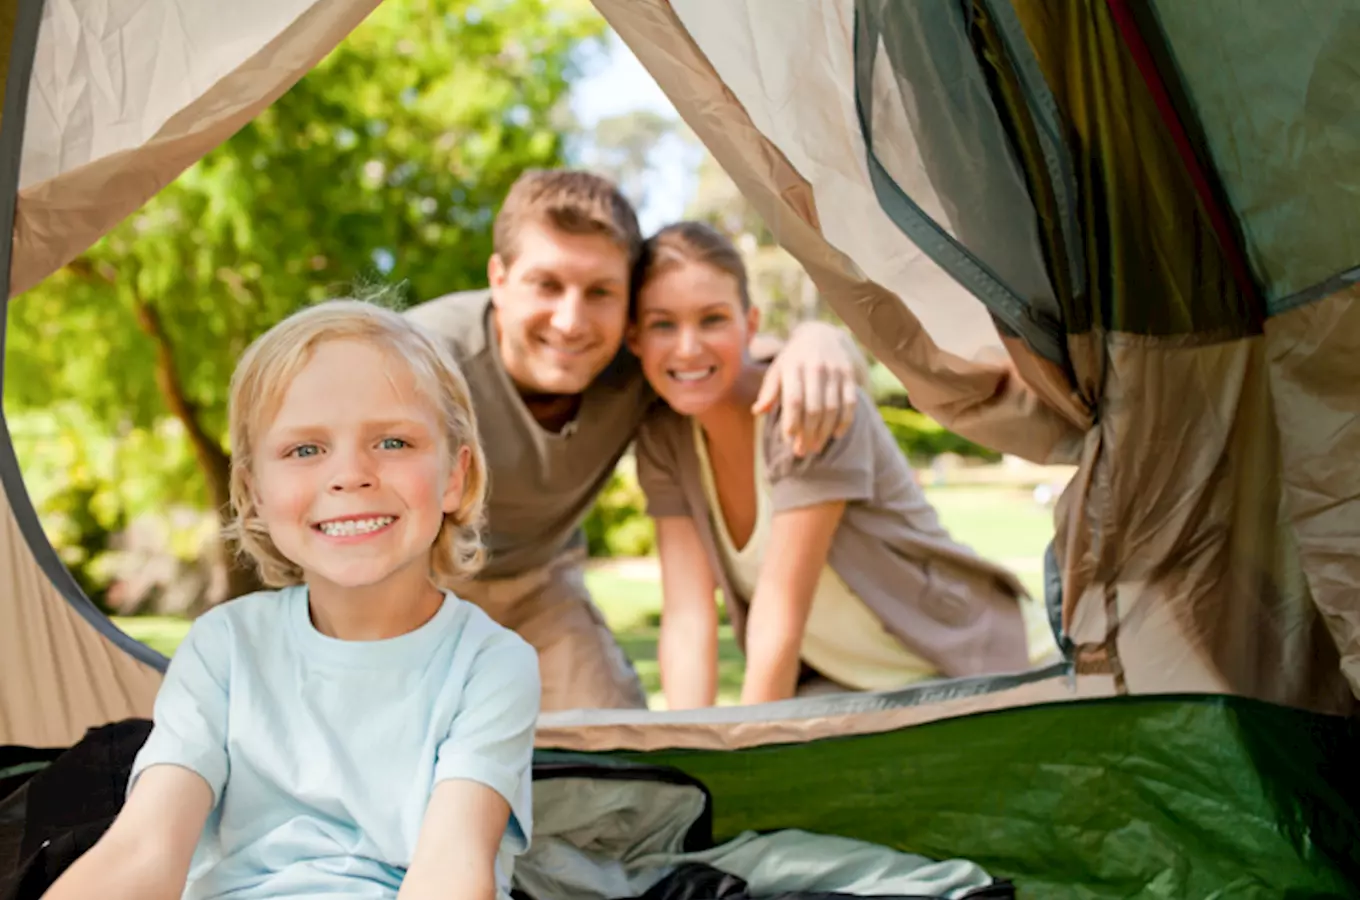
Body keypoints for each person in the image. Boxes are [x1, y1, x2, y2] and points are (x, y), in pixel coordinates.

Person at [41, 300, 540, 900]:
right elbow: (145, 850)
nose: (350, 474)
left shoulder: (489, 665)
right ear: (253, 491)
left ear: (454, 477)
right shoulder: (224, 648)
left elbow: (450, 876)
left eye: (392, 442)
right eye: (305, 450)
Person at [404, 169, 864, 713]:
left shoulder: (645, 359)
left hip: (540, 585)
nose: (571, 322)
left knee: (616, 745)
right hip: (412, 583)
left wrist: (824, 337)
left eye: (600, 292)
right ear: (499, 279)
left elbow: (735, 356)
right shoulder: (419, 357)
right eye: (547, 285)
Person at [627, 222, 1061, 709]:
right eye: (663, 323)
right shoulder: (665, 438)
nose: (687, 347)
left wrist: (743, 754)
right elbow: (688, 617)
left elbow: (780, 612)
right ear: (635, 338)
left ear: (749, 325)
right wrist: (692, 756)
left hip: (991, 665)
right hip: (864, 693)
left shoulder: (810, 406)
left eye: (711, 319)